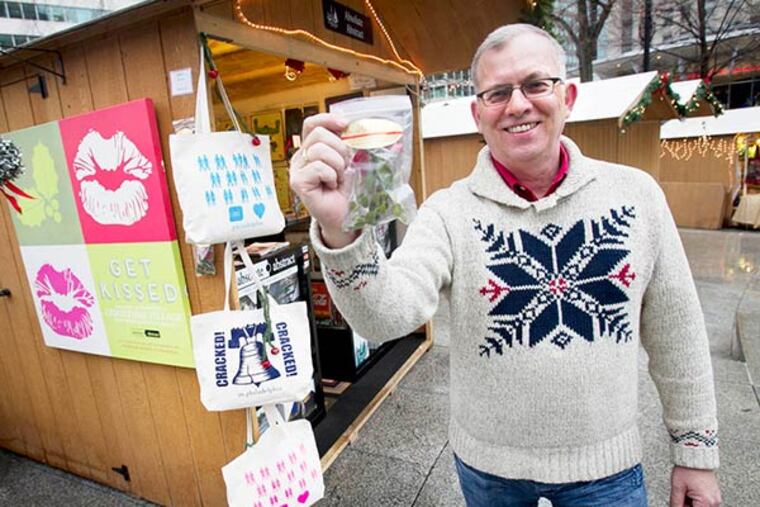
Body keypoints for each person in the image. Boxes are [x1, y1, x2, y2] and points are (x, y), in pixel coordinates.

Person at [290, 24, 721, 507]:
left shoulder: (636, 197)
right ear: (478, 113)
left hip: (608, 473)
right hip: (489, 473)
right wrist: (342, 232)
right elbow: (383, 316)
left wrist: (696, 453)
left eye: (536, 84)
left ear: (568, 96)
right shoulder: (448, 213)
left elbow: (678, 334)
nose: (517, 105)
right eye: (497, 93)